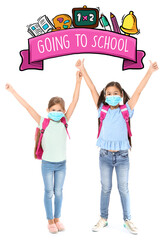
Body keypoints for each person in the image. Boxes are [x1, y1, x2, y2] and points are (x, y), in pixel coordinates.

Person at [76, 59, 158, 234]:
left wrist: (149, 72)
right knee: (105, 188)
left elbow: (138, 90)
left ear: (121, 95)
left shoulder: (126, 110)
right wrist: (83, 69)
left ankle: (127, 219)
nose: (111, 95)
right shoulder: (101, 109)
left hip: (122, 157)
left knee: (124, 188)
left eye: (115, 93)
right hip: (104, 156)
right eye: (108, 93)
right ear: (105, 96)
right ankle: (103, 218)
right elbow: (92, 89)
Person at [5, 70, 82, 234]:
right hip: (47, 164)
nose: (57, 112)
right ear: (48, 110)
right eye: (53, 109)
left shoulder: (65, 120)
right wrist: (12, 91)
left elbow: (75, 100)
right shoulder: (43, 121)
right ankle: (50, 221)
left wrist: (78, 81)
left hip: (62, 164)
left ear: (63, 111)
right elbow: (27, 106)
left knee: (59, 192)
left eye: (60, 110)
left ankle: (57, 218)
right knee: (49, 192)